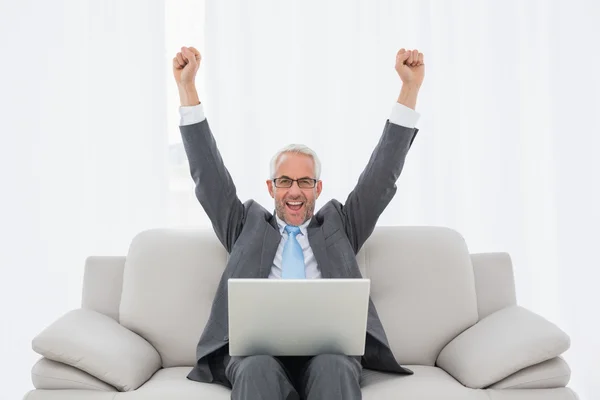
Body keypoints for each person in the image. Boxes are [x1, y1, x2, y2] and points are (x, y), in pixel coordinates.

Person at [173, 45, 425, 400]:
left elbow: (380, 178)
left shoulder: (341, 225)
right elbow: (208, 175)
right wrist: (188, 90)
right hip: (257, 356)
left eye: (305, 182)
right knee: (256, 367)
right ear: (271, 187)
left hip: (326, 355)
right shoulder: (244, 224)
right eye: (285, 181)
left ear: (318, 188)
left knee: (334, 367)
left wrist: (409, 90)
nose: (295, 191)